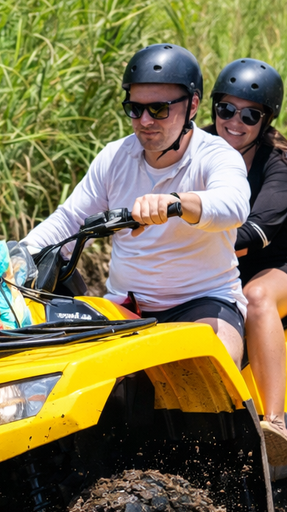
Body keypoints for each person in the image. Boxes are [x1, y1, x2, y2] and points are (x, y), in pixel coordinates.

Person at [22, 44, 251, 366]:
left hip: (204, 303)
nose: (144, 121)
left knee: (213, 366)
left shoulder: (217, 154)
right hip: (124, 306)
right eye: (134, 109)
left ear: (193, 105)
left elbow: (233, 205)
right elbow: (70, 220)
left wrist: (176, 203)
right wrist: (14, 258)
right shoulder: (115, 157)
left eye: (158, 109)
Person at [207, 58, 287, 466]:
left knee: (255, 297)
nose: (235, 121)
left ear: (266, 121)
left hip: (279, 270)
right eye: (226, 110)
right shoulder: (194, 147)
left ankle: (275, 424)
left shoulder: (279, 163)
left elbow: (260, 228)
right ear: (213, 108)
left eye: (249, 115)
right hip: (214, 272)